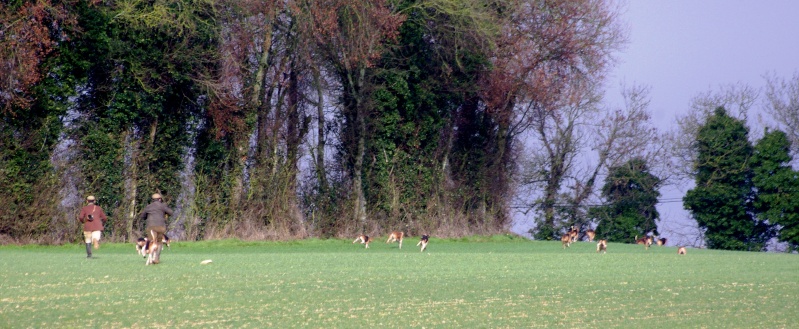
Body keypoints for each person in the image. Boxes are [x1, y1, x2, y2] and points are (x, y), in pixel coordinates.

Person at [139, 193, 173, 264]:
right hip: (160, 226)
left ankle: (150, 258)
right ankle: (156, 258)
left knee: (151, 242)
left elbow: (142, 216)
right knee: (159, 242)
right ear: (160, 199)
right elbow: (171, 212)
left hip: (150, 227)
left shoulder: (148, 207)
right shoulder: (162, 206)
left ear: (152, 200)